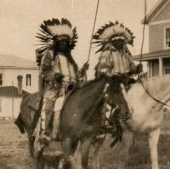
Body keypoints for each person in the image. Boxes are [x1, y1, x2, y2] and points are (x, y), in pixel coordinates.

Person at [34, 18, 87, 151]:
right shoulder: (50, 55)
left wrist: (82, 71)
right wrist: (54, 76)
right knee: (51, 106)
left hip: (72, 88)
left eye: (66, 42)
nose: (64, 44)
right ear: (56, 43)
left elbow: (75, 74)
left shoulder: (70, 59)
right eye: (61, 42)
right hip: (55, 88)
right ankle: (46, 132)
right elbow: (43, 72)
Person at [92, 21, 141, 132]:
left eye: (122, 41)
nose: (120, 43)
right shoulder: (107, 53)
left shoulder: (126, 53)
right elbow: (103, 69)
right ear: (112, 42)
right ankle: (106, 122)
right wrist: (114, 76)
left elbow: (131, 66)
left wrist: (137, 69)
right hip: (110, 81)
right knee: (107, 99)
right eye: (117, 41)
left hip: (125, 81)